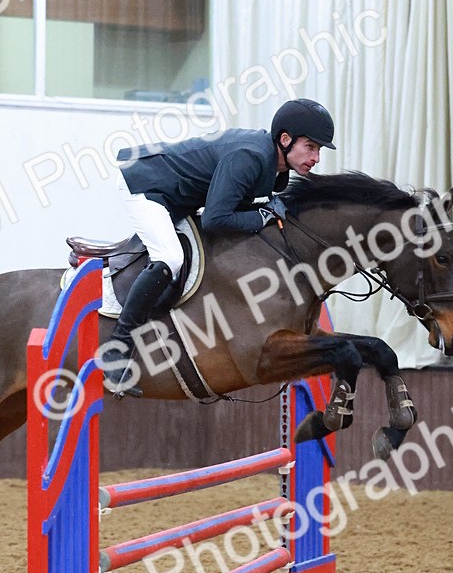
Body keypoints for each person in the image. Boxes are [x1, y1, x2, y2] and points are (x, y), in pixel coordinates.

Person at [99, 97, 336, 395]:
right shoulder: (250, 157)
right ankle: (116, 352)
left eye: (319, 149)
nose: (316, 157)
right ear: (286, 140)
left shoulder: (274, 168)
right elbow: (215, 219)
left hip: (176, 197)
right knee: (170, 257)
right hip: (146, 186)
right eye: (310, 147)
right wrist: (264, 215)